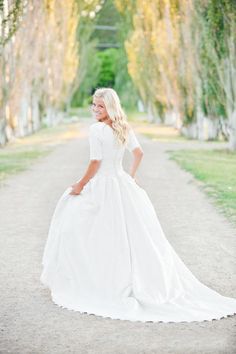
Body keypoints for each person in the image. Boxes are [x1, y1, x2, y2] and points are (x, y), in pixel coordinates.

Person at [40, 87, 236, 323]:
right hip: (121, 183)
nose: (95, 109)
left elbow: (95, 161)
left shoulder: (97, 130)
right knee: (127, 236)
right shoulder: (123, 127)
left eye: (100, 106)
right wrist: (130, 176)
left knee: (80, 226)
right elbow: (138, 153)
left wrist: (81, 184)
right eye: (94, 105)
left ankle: (91, 281)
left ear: (111, 107)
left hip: (103, 185)